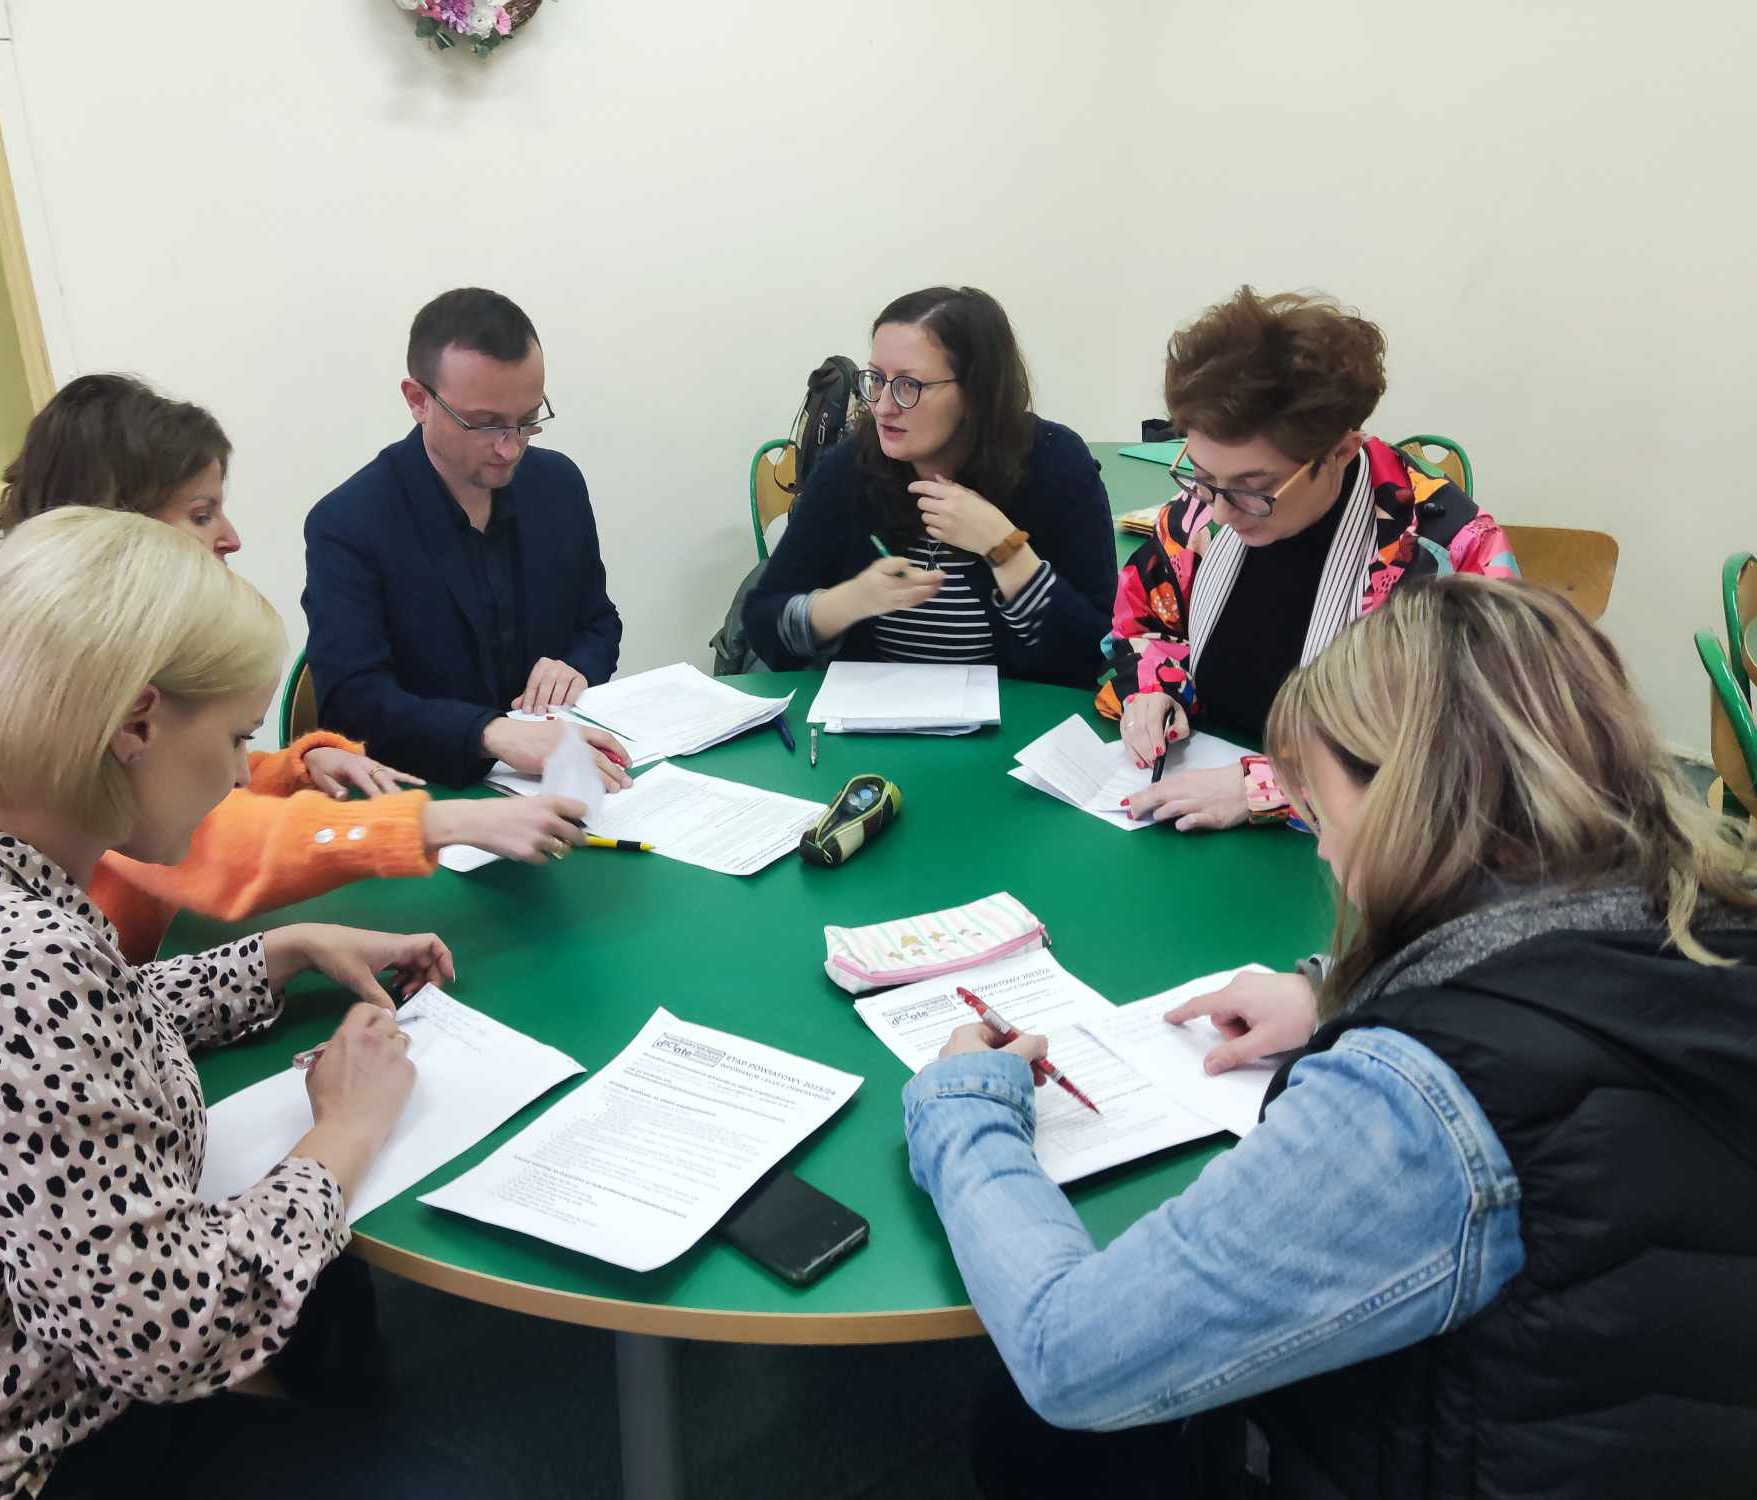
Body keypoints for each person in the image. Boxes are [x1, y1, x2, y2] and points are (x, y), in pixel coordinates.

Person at [908, 576, 1757, 1498]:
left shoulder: (1420, 1104)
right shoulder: (1712, 920)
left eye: (1320, 805)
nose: (1318, 844)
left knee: (1028, 1435)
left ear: (1407, 800)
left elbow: (1069, 1353)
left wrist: (963, 1110)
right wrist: (1329, 994)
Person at [0, 509, 485, 1497]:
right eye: (234, 737)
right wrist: (344, 1131)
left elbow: (50, 1044)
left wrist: (273, 956)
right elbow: (172, 1334)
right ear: (136, 725)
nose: (238, 773)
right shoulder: (17, 970)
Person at [0, 373, 587, 964]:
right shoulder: (63, 684)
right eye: (201, 515)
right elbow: (210, 842)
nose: (231, 538)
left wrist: (292, 767)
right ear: (118, 527)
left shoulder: (86, 653)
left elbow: (182, 777)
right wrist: (437, 822)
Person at [1102, 287, 1518, 832]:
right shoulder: (1201, 512)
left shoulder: (1448, 553)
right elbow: (1147, 624)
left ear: (1341, 451)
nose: (1220, 512)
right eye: (1202, 477)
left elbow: (1470, 751)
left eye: (1255, 487)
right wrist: (1154, 689)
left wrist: (1268, 788)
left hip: (1362, 851)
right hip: (1198, 804)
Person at [304, 288, 632, 788]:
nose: (510, 448)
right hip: (429, 791)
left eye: (527, 420)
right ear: (418, 401)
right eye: (484, 424)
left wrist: (575, 666)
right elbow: (353, 702)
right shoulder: (349, 523)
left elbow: (598, 621)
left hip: (556, 775)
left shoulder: (557, 486)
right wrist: (489, 733)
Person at [742, 286, 1117, 685]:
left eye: (909, 385)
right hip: (873, 716)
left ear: (975, 392)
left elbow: (1096, 653)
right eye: (876, 380)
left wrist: (1006, 550)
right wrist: (846, 602)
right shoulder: (850, 469)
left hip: (1014, 719)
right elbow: (762, 623)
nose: (883, 406)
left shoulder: (1054, 463)